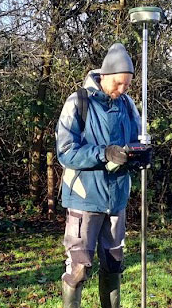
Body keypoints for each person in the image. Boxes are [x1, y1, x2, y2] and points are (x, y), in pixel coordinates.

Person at [55, 43, 142, 308]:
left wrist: (139, 155)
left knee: (114, 265)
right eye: (118, 84)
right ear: (104, 76)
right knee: (79, 269)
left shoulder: (127, 105)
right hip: (84, 198)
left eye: (127, 85)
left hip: (116, 200)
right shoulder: (78, 102)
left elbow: (136, 140)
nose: (122, 90)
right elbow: (66, 151)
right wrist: (104, 153)